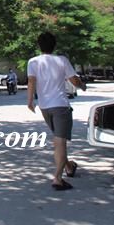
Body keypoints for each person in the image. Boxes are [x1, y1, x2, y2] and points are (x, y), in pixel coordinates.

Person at [27, 32, 87, 191]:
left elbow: (31, 81)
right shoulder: (62, 60)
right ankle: (58, 179)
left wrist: (30, 101)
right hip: (60, 106)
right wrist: (82, 86)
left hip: (44, 107)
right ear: (55, 45)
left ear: (39, 45)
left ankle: (69, 166)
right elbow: (74, 79)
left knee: (58, 140)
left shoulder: (33, 62)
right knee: (60, 142)